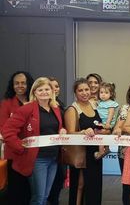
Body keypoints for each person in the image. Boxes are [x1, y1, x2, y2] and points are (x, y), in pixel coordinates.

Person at [2, 77, 66, 205]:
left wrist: (62, 129)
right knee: (39, 197)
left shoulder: (56, 109)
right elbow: (7, 130)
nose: (44, 92)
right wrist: (20, 147)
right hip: (37, 160)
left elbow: (54, 128)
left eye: (47, 89)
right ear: (34, 92)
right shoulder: (27, 109)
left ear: (52, 91)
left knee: (45, 195)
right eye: (40, 89)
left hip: (53, 158)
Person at [64, 78, 109, 205]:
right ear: (75, 93)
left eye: (86, 89)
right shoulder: (72, 109)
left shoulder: (93, 105)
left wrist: (103, 130)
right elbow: (70, 133)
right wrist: (83, 132)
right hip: (81, 155)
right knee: (80, 186)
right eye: (80, 90)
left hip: (95, 154)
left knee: (94, 187)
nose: (84, 93)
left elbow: (98, 127)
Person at [0, 71, 34, 204]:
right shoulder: (7, 103)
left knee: (31, 190)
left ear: (29, 84)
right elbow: (3, 127)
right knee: (16, 189)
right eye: (16, 83)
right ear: (12, 85)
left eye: (23, 83)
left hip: (32, 152)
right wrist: (18, 145)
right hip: (15, 152)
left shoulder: (34, 102)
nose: (20, 86)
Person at [47, 76, 66, 205]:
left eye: (57, 86)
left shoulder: (61, 105)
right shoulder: (42, 106)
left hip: (60, 151)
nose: (55, 89)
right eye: (51, 87)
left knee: (60, 179)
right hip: (46, 152)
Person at [96, 82, 119, 159]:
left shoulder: (111, 103)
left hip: (106, 122)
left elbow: (111, 114)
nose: (103, 94)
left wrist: (108, 123)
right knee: (102, 135)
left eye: (106, 92)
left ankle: (101, 151)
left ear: (111, 94)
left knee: (102, 136)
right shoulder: (100, 103)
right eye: (101, 92)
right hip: (101, 122)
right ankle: (106, 148)